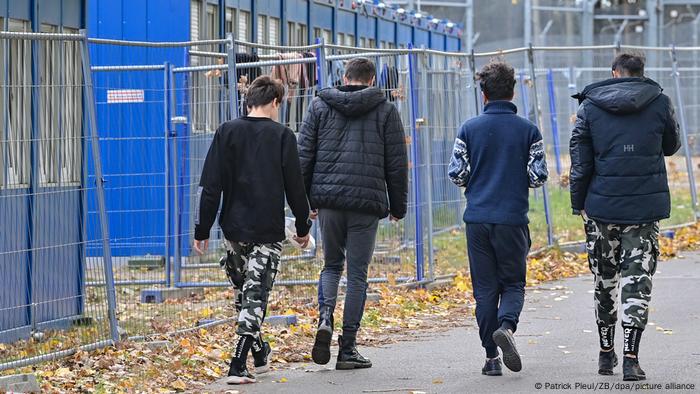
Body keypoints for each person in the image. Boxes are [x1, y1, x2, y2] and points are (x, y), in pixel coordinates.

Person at [193, 76, 312, 384]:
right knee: (254, 296)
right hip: (267, 231)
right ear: (275, 103)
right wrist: (302, 227)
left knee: (246, 295)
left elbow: (210, 187)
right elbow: (295, 189)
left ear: (248, 102)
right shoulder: (283, 137)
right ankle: (236, 365)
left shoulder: (226, 132)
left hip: (233, 231)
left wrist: (202, 229)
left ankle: (259, 354)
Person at [570, 52, 680, 381]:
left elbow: (580, 163)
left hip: (602, 211)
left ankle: (606, 353)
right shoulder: (660, 102)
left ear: (615, 73)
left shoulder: (589, 107)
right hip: (644, 213)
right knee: (638, 283)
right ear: (641, 73)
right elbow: (671, 145)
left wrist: (579, 205)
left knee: (605, 282)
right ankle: (631, 358)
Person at [297, 57, 408, 370]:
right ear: (372, 81)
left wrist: (305, 205)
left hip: (328, 202)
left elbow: (304, 156)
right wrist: (398, 207)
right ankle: (348, 348)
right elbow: (396, 163)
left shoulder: (319, 107)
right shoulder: (386, 111)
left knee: (331, 265)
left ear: (343, 77)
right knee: (358, 273)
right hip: (366, 205)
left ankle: (324, 317)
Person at [448, 61, 548, 376]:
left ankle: (491, 358)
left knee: (485, 289)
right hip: (512, 219)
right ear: (513, 90)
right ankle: (507, 326)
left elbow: (456, 173)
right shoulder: (528, 130)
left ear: (484, 94)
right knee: (514, 283)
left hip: (477, 218)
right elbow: (538, 176)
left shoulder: (469, 128)